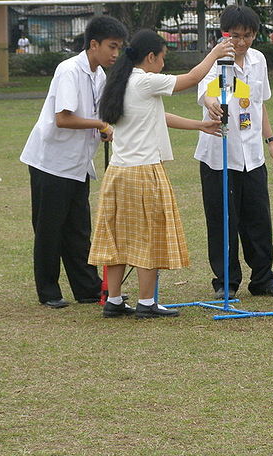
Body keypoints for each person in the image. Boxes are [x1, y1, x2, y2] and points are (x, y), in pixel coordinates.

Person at [89, 29, 233, 319]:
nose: (163, 65)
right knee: (148, 237)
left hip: (118, 172)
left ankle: (114, 300)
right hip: (143, 171)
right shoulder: (144, 80)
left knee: (118, 238)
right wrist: (215, 54)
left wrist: (199, 125)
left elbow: (158, 116)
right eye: (162, 58)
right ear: (151, 57)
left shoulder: (123, 81)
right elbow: (191, 79)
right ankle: (145, 302)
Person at [20, 15, 128, 308]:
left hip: (78, 164)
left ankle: (88, 288)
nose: (115, 53)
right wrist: (100, 125)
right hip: (51, 161)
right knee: (49, 228)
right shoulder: (68, 70)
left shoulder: (99, 75)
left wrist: (103, 127)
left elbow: (99, 115)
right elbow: (63, 118)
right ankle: (49, 291)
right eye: (112, 46)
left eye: (119, 48)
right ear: (94, 44)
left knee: (79, 229)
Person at [194, 5, 273, 299]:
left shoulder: (258, 61)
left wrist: (271, 140)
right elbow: (205, 90)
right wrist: (212, 102)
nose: (241, 42)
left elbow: (259, 103)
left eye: (247, 36)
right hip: (220, 156)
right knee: (224, 219)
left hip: (252, 155)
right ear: (225, 34)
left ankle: (263, 278)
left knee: (258, 218)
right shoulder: (217, 60)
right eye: (235, 36)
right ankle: (226, 280)